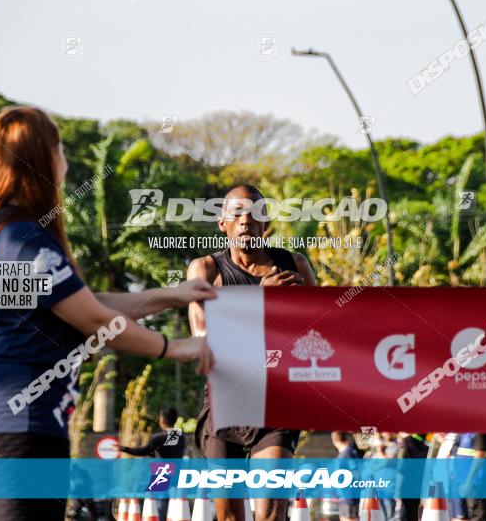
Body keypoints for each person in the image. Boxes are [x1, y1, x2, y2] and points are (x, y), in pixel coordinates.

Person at [0, 106, 216, 521]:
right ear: (42, 158)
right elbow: (94, 321)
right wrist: (175, 347)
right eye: (60, 150)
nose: (65, 162)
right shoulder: (24, 237)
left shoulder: (5, 233)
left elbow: (89, 304)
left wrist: (171, 296)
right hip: (20, 431)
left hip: (5, 427)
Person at [187, 184, 317, 521]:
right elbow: (203, 338)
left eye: (255, 213)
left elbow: (321, 330)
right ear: (222, 223)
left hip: (275, 404)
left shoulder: (294, 266)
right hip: (224, 403)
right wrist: (258, 301)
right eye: (237, 212)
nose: (246, 220)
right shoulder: (206, 271)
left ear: (267, 223)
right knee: (229, 517)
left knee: (272, 513)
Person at [119, 406, 186, 521]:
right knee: (176, 507)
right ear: (175, 420)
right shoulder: (181, 437)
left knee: (160, 508)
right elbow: (168, 451)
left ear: (162, 420)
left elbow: (144, 451)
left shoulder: (158, 438)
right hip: (178, 475)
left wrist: (124, 448)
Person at [448, 433, 486, 521]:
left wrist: (468, 482)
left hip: (477, 485)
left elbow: (480, 455)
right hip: (465, 483)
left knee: (478, 517)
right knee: (462, 516)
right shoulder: (464, 431)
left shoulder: (479, 429)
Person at [331, 432, 361, 521]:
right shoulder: (347, 453)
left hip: (349, 496)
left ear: (334, 441)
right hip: (345, 496)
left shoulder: (348, 454)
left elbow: (357, 474)